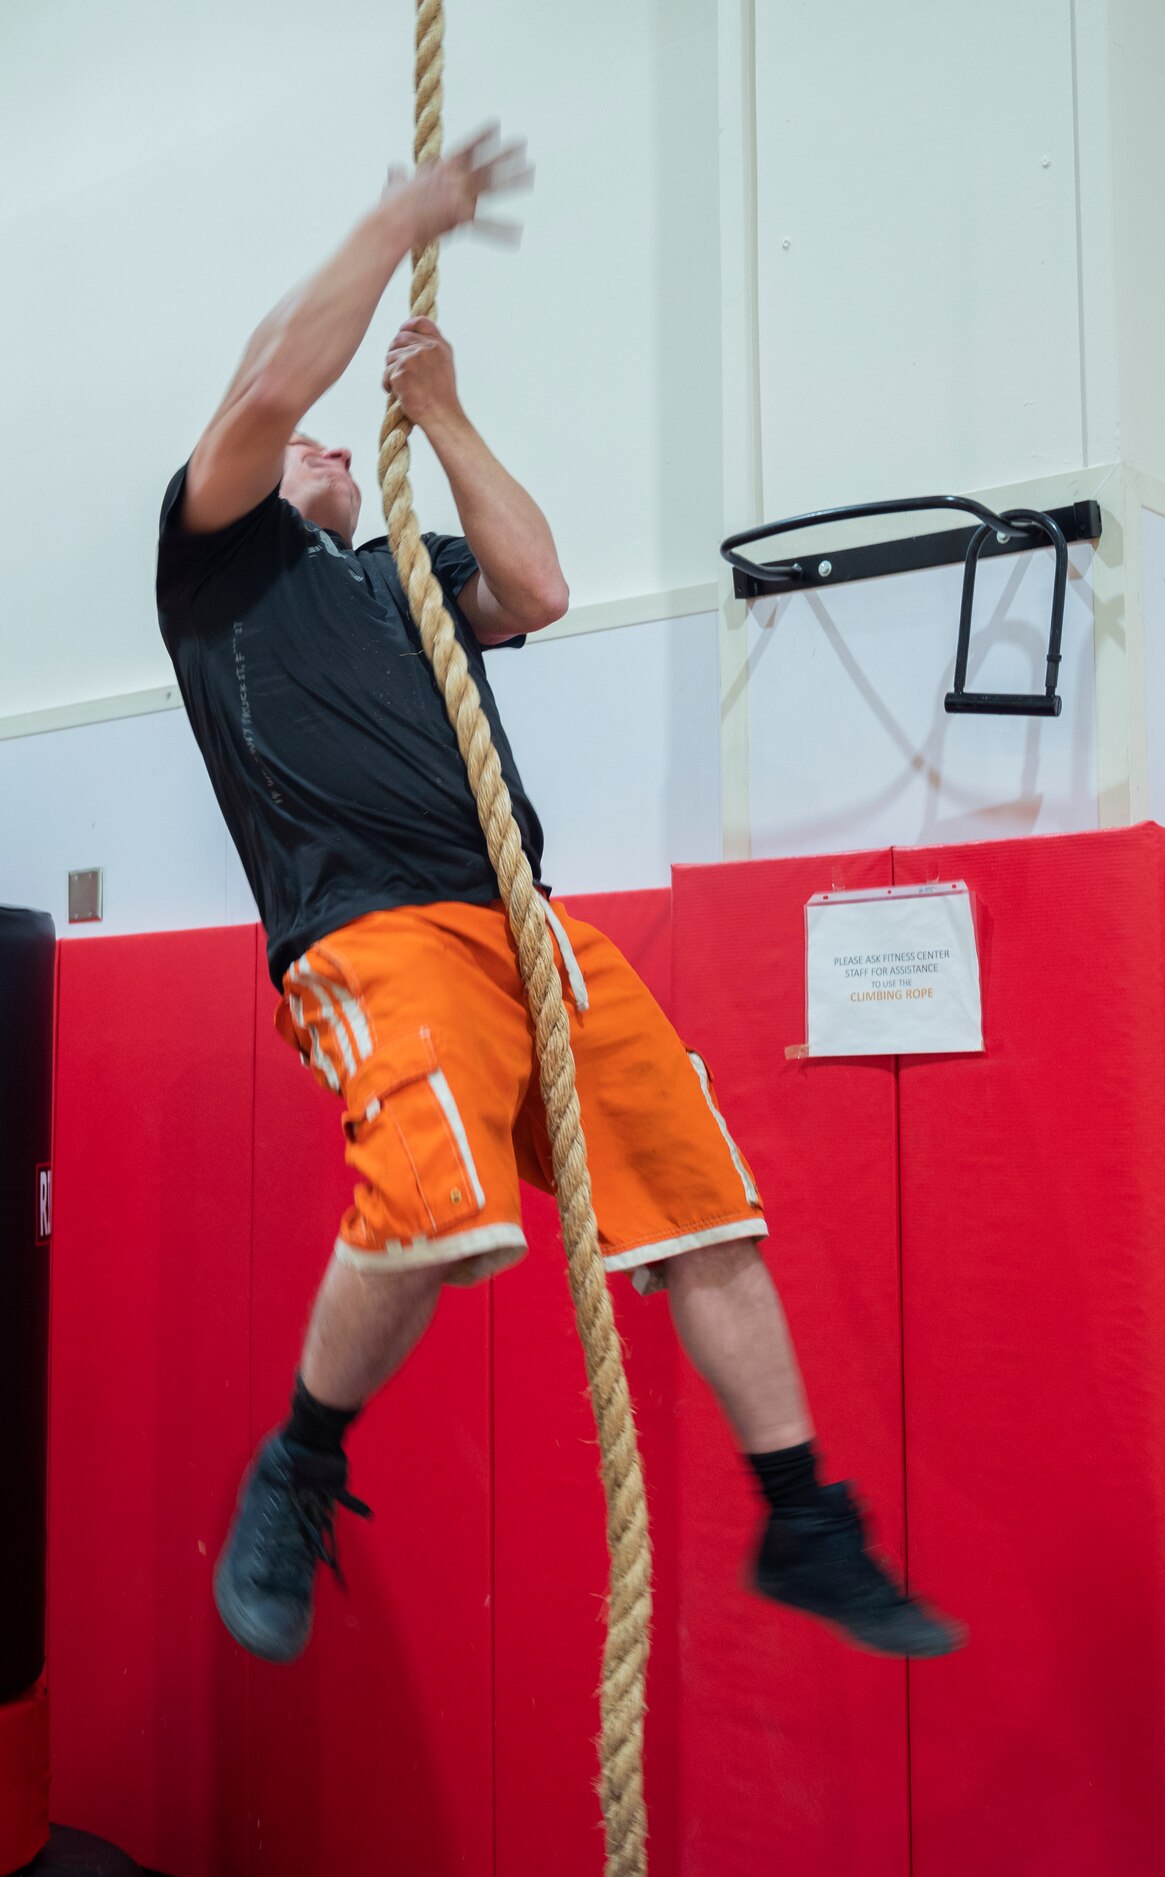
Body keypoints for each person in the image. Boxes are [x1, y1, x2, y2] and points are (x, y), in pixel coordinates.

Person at [155, 128, 964, 1669]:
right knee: (440, 1212)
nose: (325, 442)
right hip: (373, 928)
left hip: (525, 917)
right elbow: (268, 391)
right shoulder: (217, 572)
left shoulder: (400, 576)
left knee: (701, 1208)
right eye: (311, 448)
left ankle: (799, 1514)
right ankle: (304, 1459)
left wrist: (444, 415)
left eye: (345, 440)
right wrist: (402, 219)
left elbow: (538, 591)